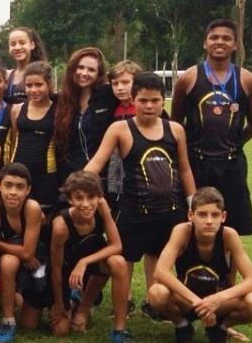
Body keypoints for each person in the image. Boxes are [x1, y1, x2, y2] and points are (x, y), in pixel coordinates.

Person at [85, 71, 196, 296]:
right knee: (124, 258)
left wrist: (192, 202)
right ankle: (119, 305)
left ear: (163, 101)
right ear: (133, 100)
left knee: (161, 257)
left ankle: (155, 303)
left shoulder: (175, 130)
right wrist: (80, 189)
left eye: (155, 100)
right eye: (143, 100)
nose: (149, 106)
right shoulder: (120, 129)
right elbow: (96, 163)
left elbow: (184, 168)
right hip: (133, 210)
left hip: (171, 209)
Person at [147, 186, 252, 343]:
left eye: (215, 215)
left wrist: (217, 299)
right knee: (156, 292)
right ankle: (182, 325)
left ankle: (221, 327)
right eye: (202, 214)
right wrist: (198, 302)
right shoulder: (182, 231)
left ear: (223, 217)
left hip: (220, 305)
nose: (209, 221)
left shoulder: (229, 236)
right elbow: (160, 271)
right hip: (187, 302)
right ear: (191, 216)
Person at [169, 19, 252, 236]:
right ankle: (191, 270)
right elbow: (175, 124)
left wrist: (234, 144)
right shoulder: (188, 79)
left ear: (236, 45)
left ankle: (227, 270)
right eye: (214, 38)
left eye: (226, 38)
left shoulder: (248, 80)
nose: (219, 42)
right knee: (192, 223)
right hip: (196, 164)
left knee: (231, 228)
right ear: (205, 43)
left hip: (231, 165)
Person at [49, 171, 141, 343]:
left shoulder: (101, 207)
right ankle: (71, 301)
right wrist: (59, 304)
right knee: (61, 330)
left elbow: (116, 245)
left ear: (99, 196)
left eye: (91, 197)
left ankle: (118, 332)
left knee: (118, 263)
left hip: (88, 262)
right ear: (69, 200)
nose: (86, 204)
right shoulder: (61, 226)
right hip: (67, 270)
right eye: (79, 198)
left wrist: (84, 262)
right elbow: (56, 269)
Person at [0, 163, 48, 343]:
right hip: (13, 253)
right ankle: (7, 321)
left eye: (20, 187)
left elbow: (29, 253)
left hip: (39, 258)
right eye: (8, 185)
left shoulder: (32, 208)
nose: (13, 192)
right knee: (7, 263)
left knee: (30, 324)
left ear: (28, 190)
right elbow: (1, 249)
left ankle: (22, 295)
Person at [54, 47, 117, 183]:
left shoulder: (108, 96)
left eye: (91, 70)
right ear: (72, 68)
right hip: (68, 177)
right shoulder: (61, 100)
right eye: (80, 67)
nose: (84, 73)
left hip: (101, 177)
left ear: (99, 74)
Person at [6, 61, 60, 213]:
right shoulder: (17, 109)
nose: (33, 90)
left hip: (46, 176)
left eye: (39, 85)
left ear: (49, 84)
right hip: (20, 173)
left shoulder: (58, 110)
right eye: (29, 85)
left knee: (44, 220)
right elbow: (14, 141)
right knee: (19, 216)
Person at [106, 60, 141, 214]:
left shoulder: (145, 109)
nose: (120, 87)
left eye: (126, 82)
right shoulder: (113, 108)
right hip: (115, 170)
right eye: (115, 83)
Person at [5, 27, 47, 105]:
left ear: (32, 45)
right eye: (13, 44)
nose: (17, 47)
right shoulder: (7, 75)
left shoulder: (42, 73)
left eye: (22, 43)